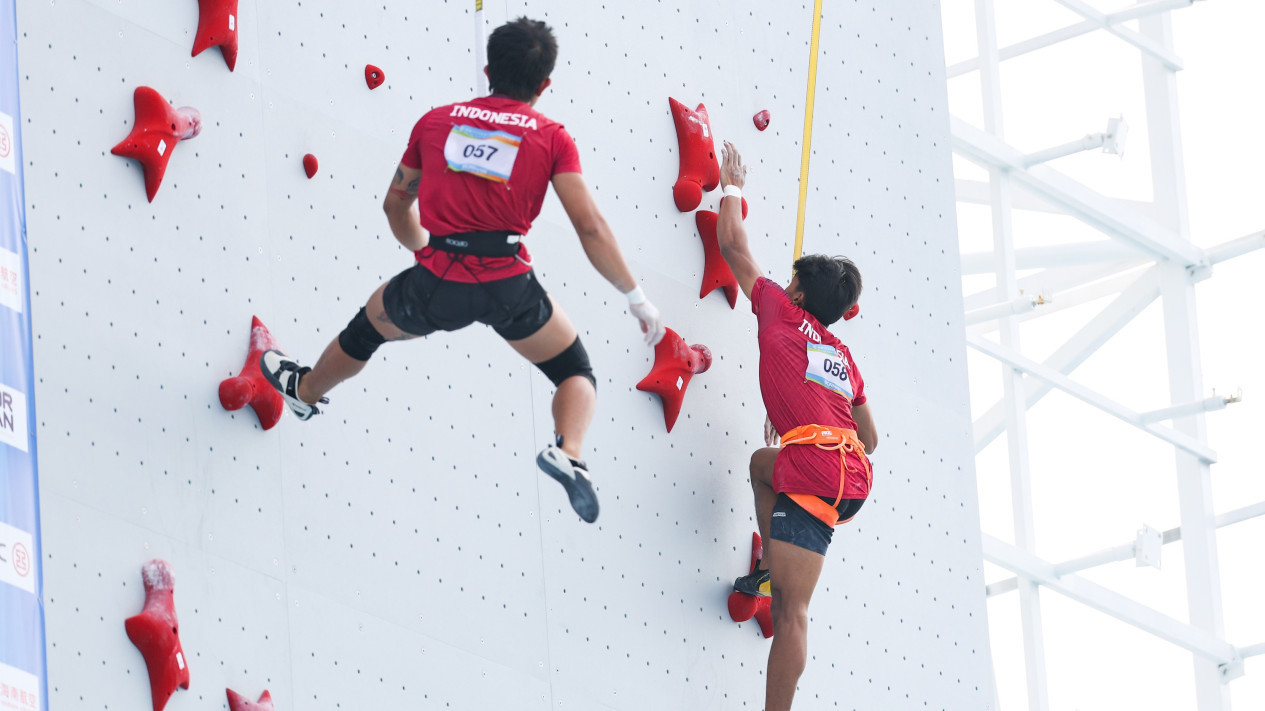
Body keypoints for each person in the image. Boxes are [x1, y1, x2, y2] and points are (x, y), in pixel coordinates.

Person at [259, 17, 664, 524]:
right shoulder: (551, 137)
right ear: (544, 85)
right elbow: (591, 228)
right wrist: (635, 296)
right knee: (574, 373)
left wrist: (426, 249)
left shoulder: (435, 122)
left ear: (488, 68)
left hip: (435, 281)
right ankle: (571, 453)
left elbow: (394, 206)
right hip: (510, 288)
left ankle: (303, 392)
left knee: (365, 332)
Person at [715, 141, 878, 710]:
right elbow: (871, 438)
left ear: (800, 296)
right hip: (848, 472)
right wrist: (793, 413)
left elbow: (732, 242)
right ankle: (765, 567)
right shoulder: (841, 355)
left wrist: (731, 183)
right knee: (762, 466)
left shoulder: (781, 312)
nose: (781, 289)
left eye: (790, 286)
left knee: (792, 612)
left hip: (814, 471)